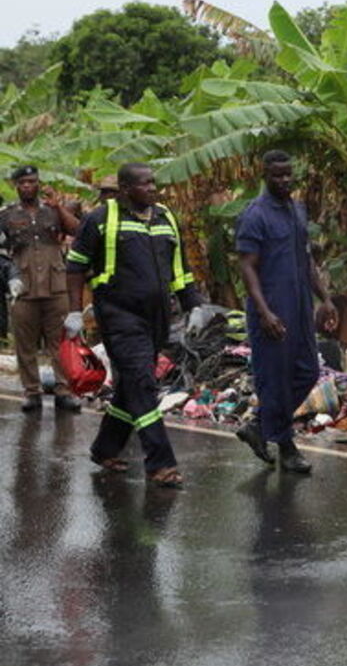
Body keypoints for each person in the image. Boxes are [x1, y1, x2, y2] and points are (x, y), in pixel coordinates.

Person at [65, 162, 203, 487]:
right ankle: (161, 463)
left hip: (157, 316)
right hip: (118, 314)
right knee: (143, 382)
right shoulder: (101, 219)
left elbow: (180, 269)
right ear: (126, 190)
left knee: (130, 386)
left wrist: (193, 305)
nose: (153, 189)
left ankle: (105, 447)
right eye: (145, 184)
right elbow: (76, 266)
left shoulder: (165, 217)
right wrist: (73, 312)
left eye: (154, 183)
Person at [234, 151, 337, 474]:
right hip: (271, 309)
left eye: (289, 174)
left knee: (307, 372)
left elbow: (307, 261)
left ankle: (259, 427)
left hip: (300, 307)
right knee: (275, 381)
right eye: (278, 175)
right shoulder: (255, 215)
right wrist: (264, 312)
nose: (285, 180)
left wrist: (326, 299)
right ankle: (287, 447)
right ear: (264, 174)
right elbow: (247, 268)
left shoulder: (297, 209)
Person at [1, 164, 81, 413]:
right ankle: (32, 392)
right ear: (16, 186)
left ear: (38, 183)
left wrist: (58, 206)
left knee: (60, 342)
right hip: (22, 289)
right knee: (25, 345)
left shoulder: (53, 211)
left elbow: (78, 230)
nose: (28, 186)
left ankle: (63, 391)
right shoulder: (6, 215)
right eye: (23, 182)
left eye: (32, 181)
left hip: (56, 287)